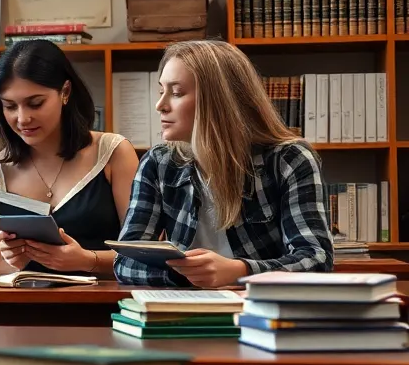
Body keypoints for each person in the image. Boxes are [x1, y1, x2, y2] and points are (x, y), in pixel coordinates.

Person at [113, 39, 333, 288]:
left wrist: (239, 271)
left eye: (176, 93)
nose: (160, 105)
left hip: (260, 309)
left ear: (218, 99)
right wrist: (192, 274)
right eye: (161, 91)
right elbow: (125, 262)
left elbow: (316, 259)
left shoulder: (289, 159)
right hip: (181, 307)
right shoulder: (158, 163)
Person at [0, 39, 139, 277]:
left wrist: (87, 260)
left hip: (106, 305)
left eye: (35, 103)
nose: (22, 118)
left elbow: (144, 255)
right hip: (27, 308)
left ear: (65, 92)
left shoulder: (114, 152)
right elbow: (1, 268)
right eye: (10, 106)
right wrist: (13, 259)